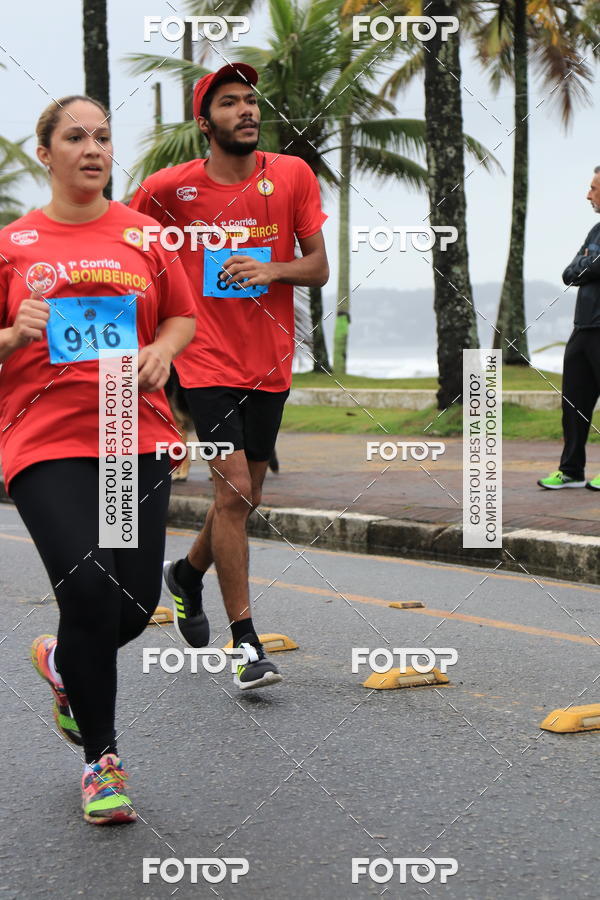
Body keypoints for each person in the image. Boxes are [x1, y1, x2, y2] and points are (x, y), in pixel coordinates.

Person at [0, 95, 196, 824]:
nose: (92, 148)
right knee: (87, 590)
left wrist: (162, 350)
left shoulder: (146, 236)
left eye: (103, 137)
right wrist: (13, 334)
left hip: (128, 432)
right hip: (44, 436)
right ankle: (102, 763)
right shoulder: (13, 244)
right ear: (45, 154)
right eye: (76, 137)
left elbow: (181, 315)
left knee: (132, 606)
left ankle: (62, 662)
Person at [130, 63, 329, 689]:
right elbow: (129, 250)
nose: (246, 110)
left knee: (245, 499)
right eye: (228, 103)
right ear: (204, 122)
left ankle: (186, 574)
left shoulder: (291, 175)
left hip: (269, 360)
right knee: (234, 490)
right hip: (204, 360)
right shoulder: (168, 190)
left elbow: (319, 267)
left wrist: (273, 270)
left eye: (250, 100)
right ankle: (246, 645)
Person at [538, 166, 600, 490]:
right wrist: (588, 264)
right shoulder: (595, 231)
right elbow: (569, 273)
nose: (588, 195)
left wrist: (586, 265)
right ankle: (571, 471)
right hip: (583, 327)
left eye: (593, 188)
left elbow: (586, 267)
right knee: (573, 403)